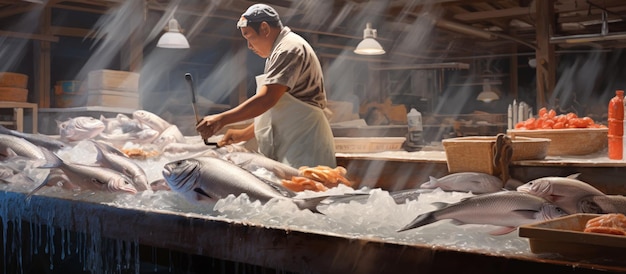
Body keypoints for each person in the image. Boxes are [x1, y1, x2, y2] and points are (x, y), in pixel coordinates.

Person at [196, 3, 336, 168]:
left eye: (249, 36)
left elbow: (267, 99)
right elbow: (279, 114)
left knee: (306, 189)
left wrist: (221, 119)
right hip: (294, 142)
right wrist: (243, 134)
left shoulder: (288, 49)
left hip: (305, 144)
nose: (249, 46)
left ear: (264, 28)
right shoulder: (277, 53)